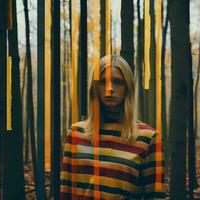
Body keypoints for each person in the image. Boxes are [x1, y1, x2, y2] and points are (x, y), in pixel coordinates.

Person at [60, 55, 166, 199]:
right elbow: (66, 192)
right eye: (103, 82)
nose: (110, 89)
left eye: (118, 82)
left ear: (128, 87)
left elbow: (155, 196)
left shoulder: (148, 138)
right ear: (94, 88)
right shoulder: (75, 134)